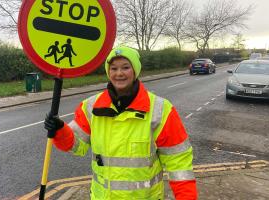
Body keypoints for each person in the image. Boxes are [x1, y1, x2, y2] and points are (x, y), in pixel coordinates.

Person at [44, 46, 197, 200]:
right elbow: (76, 145)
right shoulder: (90, 107)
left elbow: (179, 163)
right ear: (108, 71)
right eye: (114, 68)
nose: (119, 73)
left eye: (125, 67)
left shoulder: (161, 109)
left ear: (135, 70)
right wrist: (59, 130)